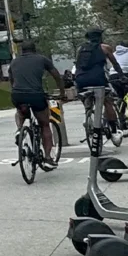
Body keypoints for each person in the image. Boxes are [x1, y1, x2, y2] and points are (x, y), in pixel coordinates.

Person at [8, 41, 65, 170]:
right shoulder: (42, 59)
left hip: (17, 94)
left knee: (20, 112)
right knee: (45, 124)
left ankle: (19, 130)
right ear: (35, 49)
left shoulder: (14, 62)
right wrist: (62, 93)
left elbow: (12, 80)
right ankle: (48, 159)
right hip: (36, 95)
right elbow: (57, 77)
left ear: (22, 51)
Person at [75, 27, 125, 145]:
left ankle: (88, 116)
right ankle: (114, 132)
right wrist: (122, 76)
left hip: (81, 79)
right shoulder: (105, 48)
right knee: (107, 102)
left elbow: (78, 65)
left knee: (87, 95)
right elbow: (115, 64)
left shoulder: (80, 48)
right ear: (100, 37)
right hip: (98, 79)